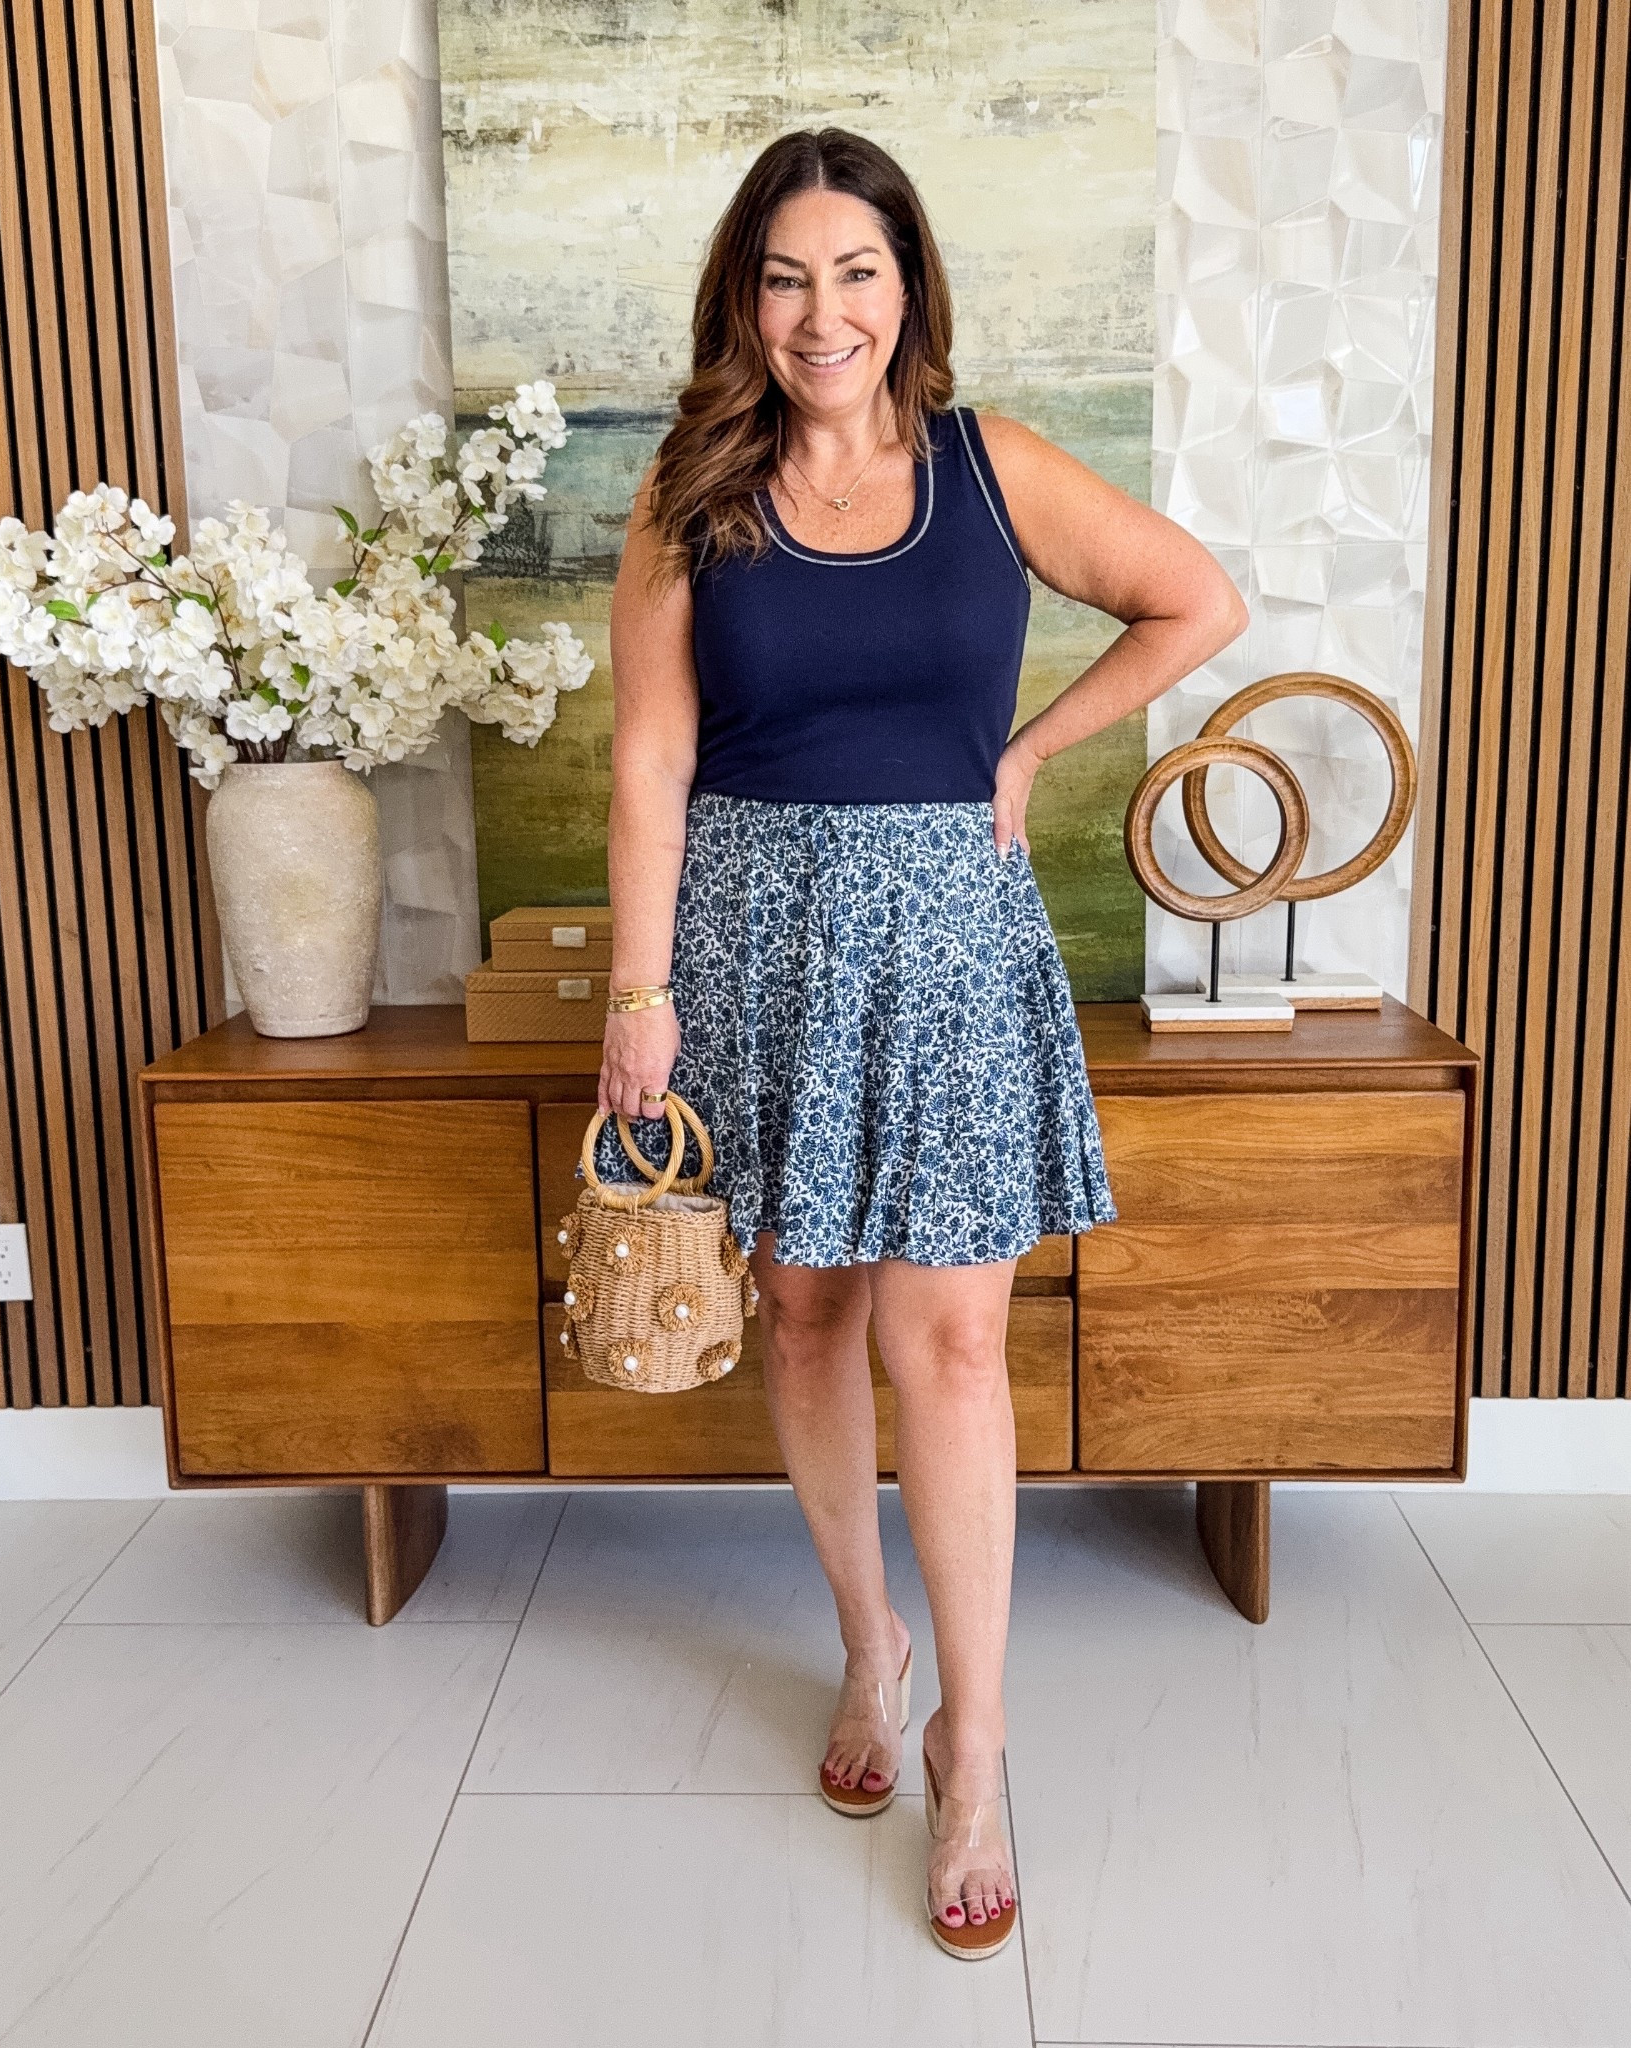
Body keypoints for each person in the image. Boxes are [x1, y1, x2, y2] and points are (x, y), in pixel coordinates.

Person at [597, 126, 1247, 1958]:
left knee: (950, 1338)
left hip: (950, 951)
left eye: (856, 272)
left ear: (906, 285)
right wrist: (634, 996)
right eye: (788, 275)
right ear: (747, 293)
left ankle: (974, 1737)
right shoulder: (689, 495)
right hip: (752, 946)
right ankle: (865, 1649)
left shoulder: (992, 469)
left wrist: (1029, 755)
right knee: (804, 1311)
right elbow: (649, 759)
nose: (823, 311)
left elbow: (1197, 597)